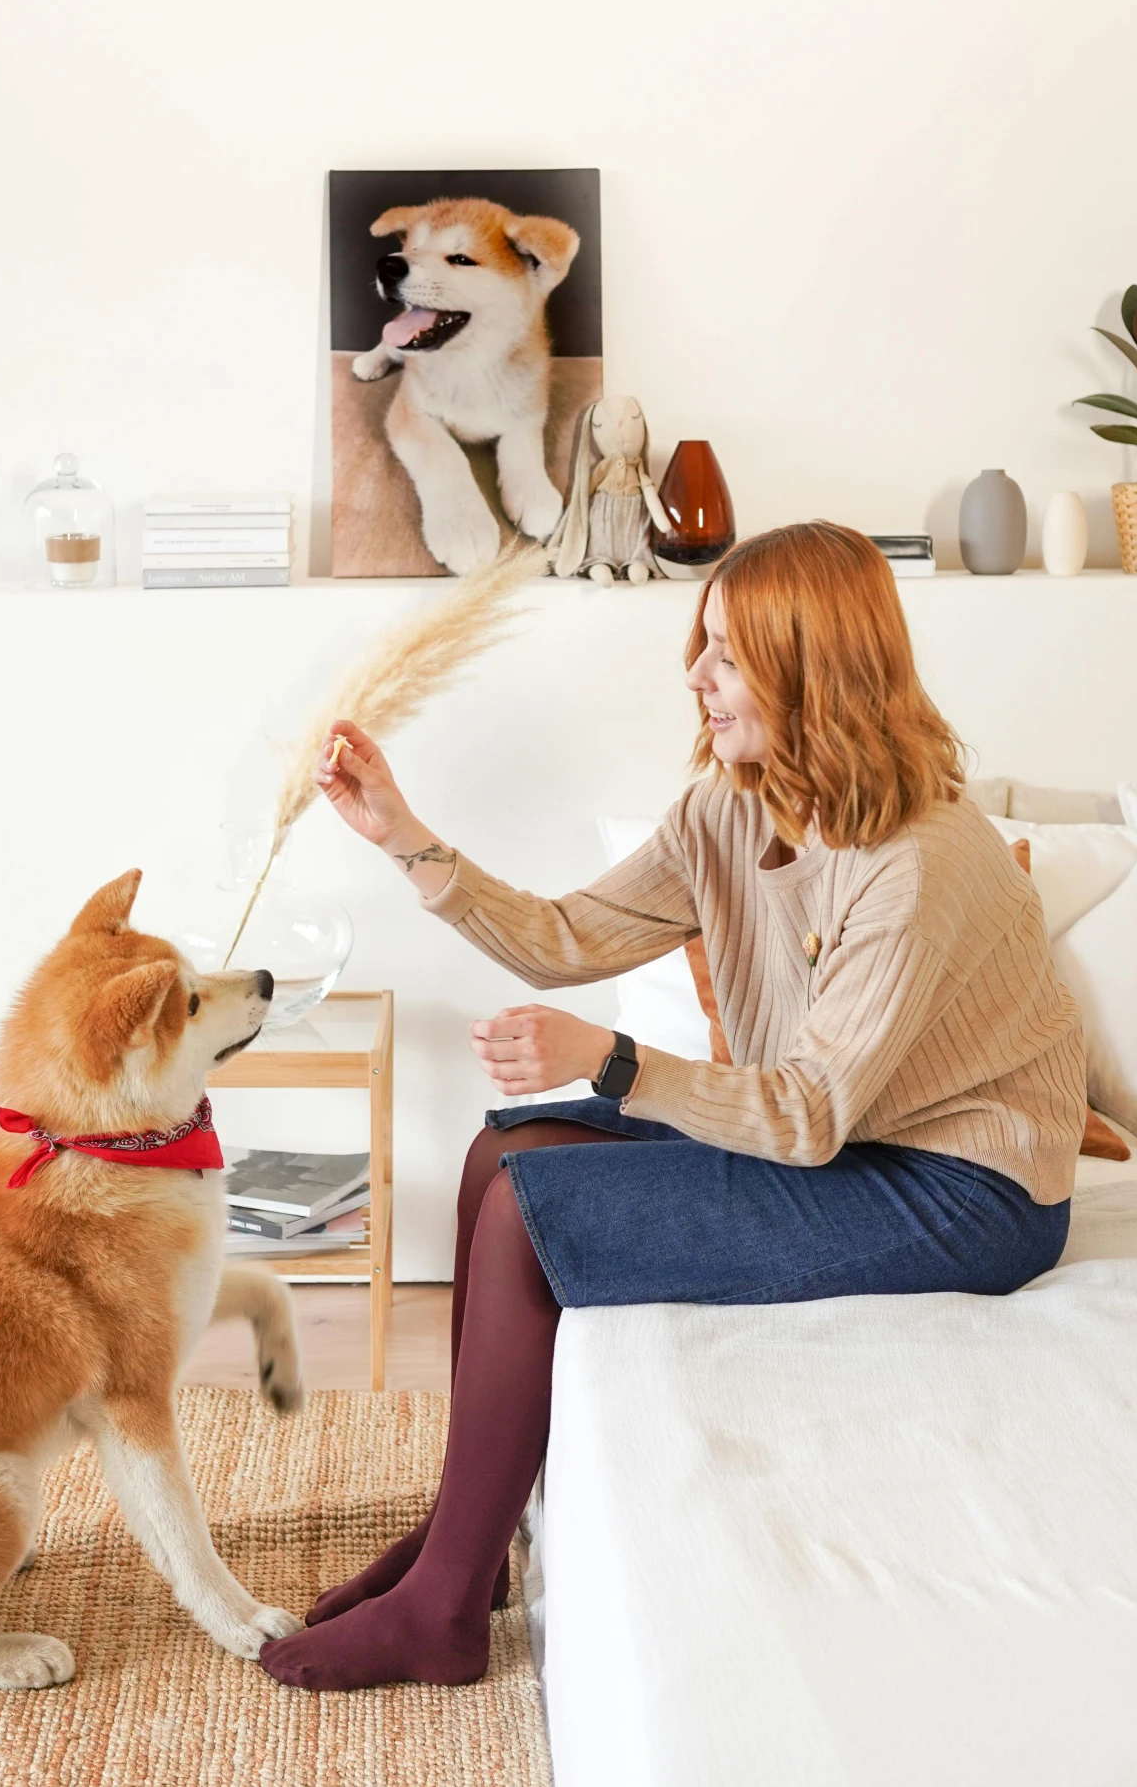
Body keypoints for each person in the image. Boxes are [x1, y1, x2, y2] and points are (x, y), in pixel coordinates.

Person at [259, 521, 1085, 1692]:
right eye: (699, 647)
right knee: (501, 1158)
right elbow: (563, 938)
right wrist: (406, 837)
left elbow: (806, 1116)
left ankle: (440, 1612)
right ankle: (469, 1538)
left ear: (816, 668)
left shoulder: (921, 860)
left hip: (965, 1187)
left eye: (727, 655)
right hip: (848, 1135)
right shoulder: (728, 810)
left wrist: (614, 1061)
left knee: (527, 1216)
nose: (694, 676)